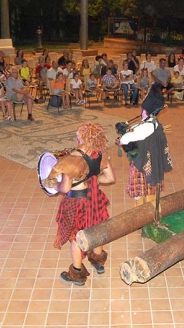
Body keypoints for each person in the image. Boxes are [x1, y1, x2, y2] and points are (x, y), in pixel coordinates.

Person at [49, 122, 115, 286]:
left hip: (77, 202)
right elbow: (110, 178)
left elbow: (65, 188)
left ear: (83, 137)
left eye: (78, 134)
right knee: (95, 229)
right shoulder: (100, 154)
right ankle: (98, 263)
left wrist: (53, 185)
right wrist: (94, 180)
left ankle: (77, 274)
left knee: (76, 237)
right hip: (95, 198)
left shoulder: (72, 159)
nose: (76, 136)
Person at [119, 83, 173, 205]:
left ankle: (144, 218)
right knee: (151, 193)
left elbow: (123, 141)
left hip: (142, 165)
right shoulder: (155, 123)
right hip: (154, 163)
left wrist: (123, 133)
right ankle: (152, 216)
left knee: (141, 197)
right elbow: (136, 130)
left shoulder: (144, 127)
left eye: (142, 109)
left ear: (145, 111)